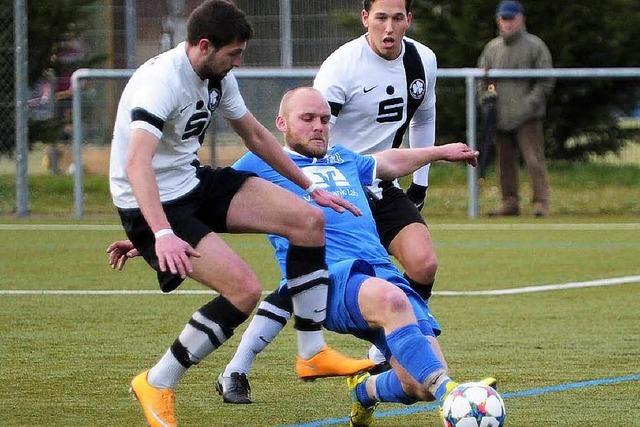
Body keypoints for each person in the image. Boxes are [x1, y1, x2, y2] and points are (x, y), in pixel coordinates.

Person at [109, 87, 493, 426]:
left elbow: (388, 162)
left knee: (416, 384)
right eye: (307, 118)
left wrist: (439, 152)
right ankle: (452, 394)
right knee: (410, 333)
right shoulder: (259, 164)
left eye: (324, 119)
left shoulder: (343, 158)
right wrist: (151, 236)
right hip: (328, 278)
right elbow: (203, 201)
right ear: (282, 123)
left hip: (381, 274)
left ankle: (366, 391)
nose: (319, 126)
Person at [108, 2, 372, 426]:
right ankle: (157, 381)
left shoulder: (216, 74)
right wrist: (158, 233)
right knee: (245, 290)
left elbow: (253, 133)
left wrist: (311, 188)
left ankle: (312, 352)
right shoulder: (160, 82)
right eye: (233, 54)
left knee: (308, 220)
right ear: (205, 46)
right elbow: (136, 164)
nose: (238, 62)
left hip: (190, 182)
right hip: (148, 200)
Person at [477, 0, 554, 217]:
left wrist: (530, 104)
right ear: (498, 20)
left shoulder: (535, 46)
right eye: (504, 19)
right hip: (499, 116)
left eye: (511, 18)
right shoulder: (492, 48)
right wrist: (486, 100)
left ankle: (541, 203)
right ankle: (509, 202)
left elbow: (545, 81)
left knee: (534, 160)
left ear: (522, 19)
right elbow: (482, 78)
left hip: (527, 116)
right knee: (505, 163)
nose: (507, 23)